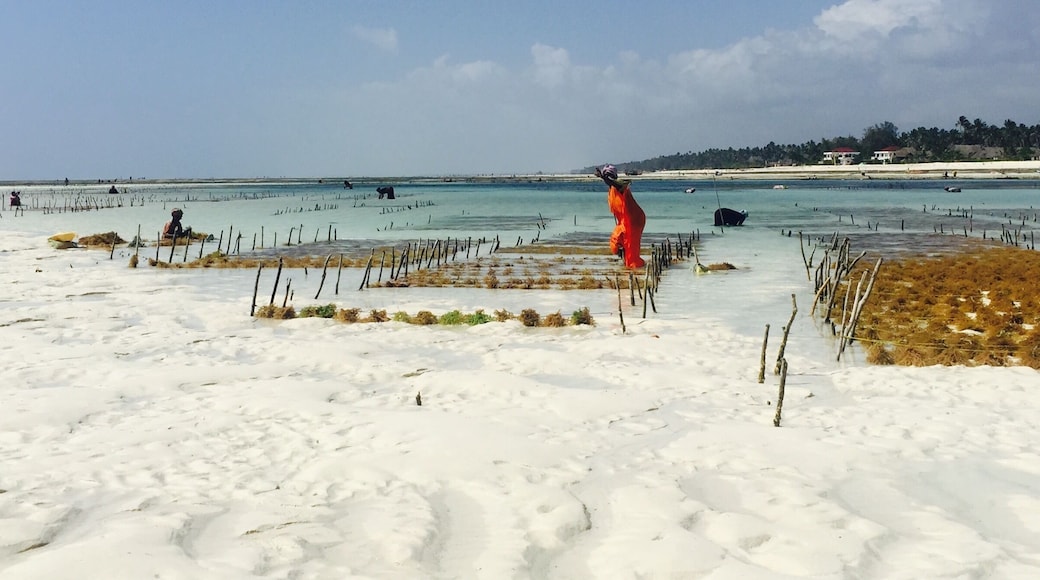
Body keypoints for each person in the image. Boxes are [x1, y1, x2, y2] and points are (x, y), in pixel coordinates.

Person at [595, 164, 646, 269]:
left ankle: (636, 270)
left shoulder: (621, 186)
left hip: (634, 220)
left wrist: (604, 177)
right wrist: (604, 178)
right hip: (624, 221)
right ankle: (627, 263)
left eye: (609, 176)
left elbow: (615, 183)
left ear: (614, 176)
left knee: (631, 254)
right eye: (606, 176)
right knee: (616, 242)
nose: (608, 178)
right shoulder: (611, 190)